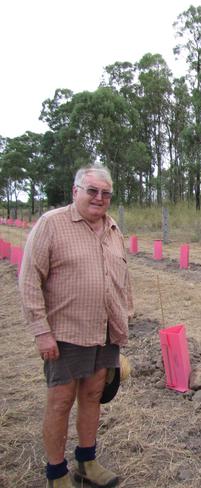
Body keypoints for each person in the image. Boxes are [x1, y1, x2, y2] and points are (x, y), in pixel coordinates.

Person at [19, 164, 132, 488]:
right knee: (61, 401)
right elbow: (29, 281)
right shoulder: (52, 225)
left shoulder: (112, 228)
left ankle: (87, 461)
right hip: (66, 333)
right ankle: (57, 473)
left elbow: (122, 278)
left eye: (105, 193)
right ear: (75, 192)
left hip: (105, 331)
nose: (99, 198)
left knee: (94, 395)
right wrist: (41, 331)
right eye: (92, 191)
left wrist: (124, 318)